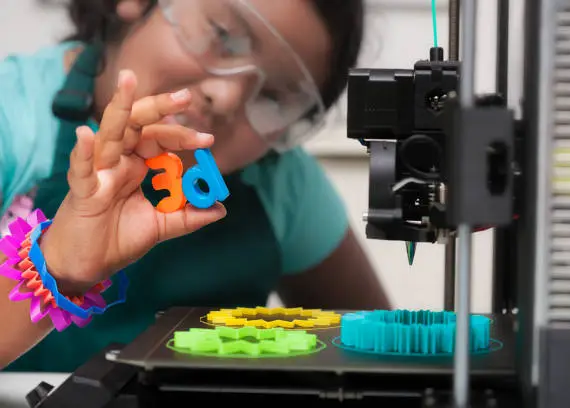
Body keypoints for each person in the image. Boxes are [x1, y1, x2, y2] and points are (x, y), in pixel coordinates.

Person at [0, 0, 390, 372]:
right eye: (222, 35)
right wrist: (58, 266)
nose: (226, 96)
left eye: (274, 96)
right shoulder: (12, 119)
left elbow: (379, 355)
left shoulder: (281, 181)